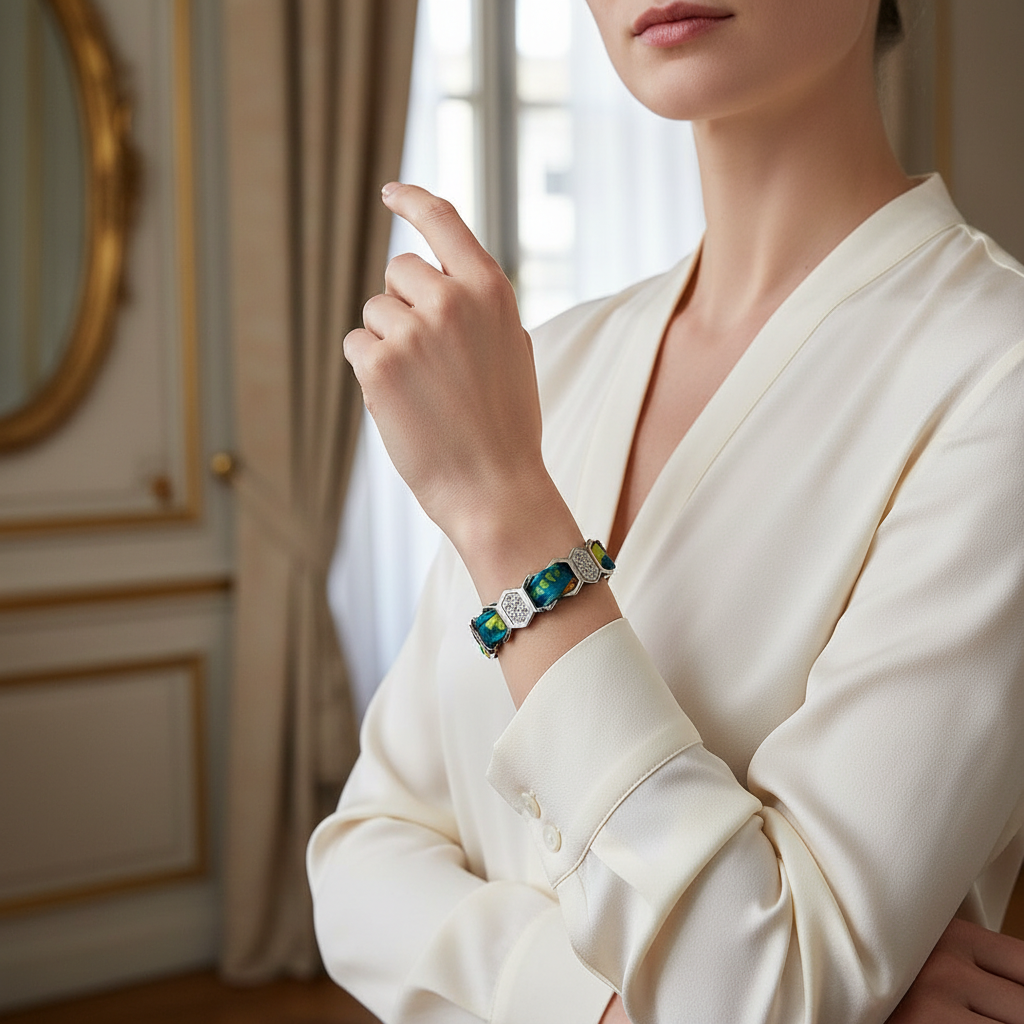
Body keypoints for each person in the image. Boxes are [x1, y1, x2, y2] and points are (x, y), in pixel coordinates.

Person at [309, 0, 1024, 1020]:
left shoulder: (996, 376)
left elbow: (762, 990)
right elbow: (359, 859)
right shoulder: (547, 364)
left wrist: (505, 508)